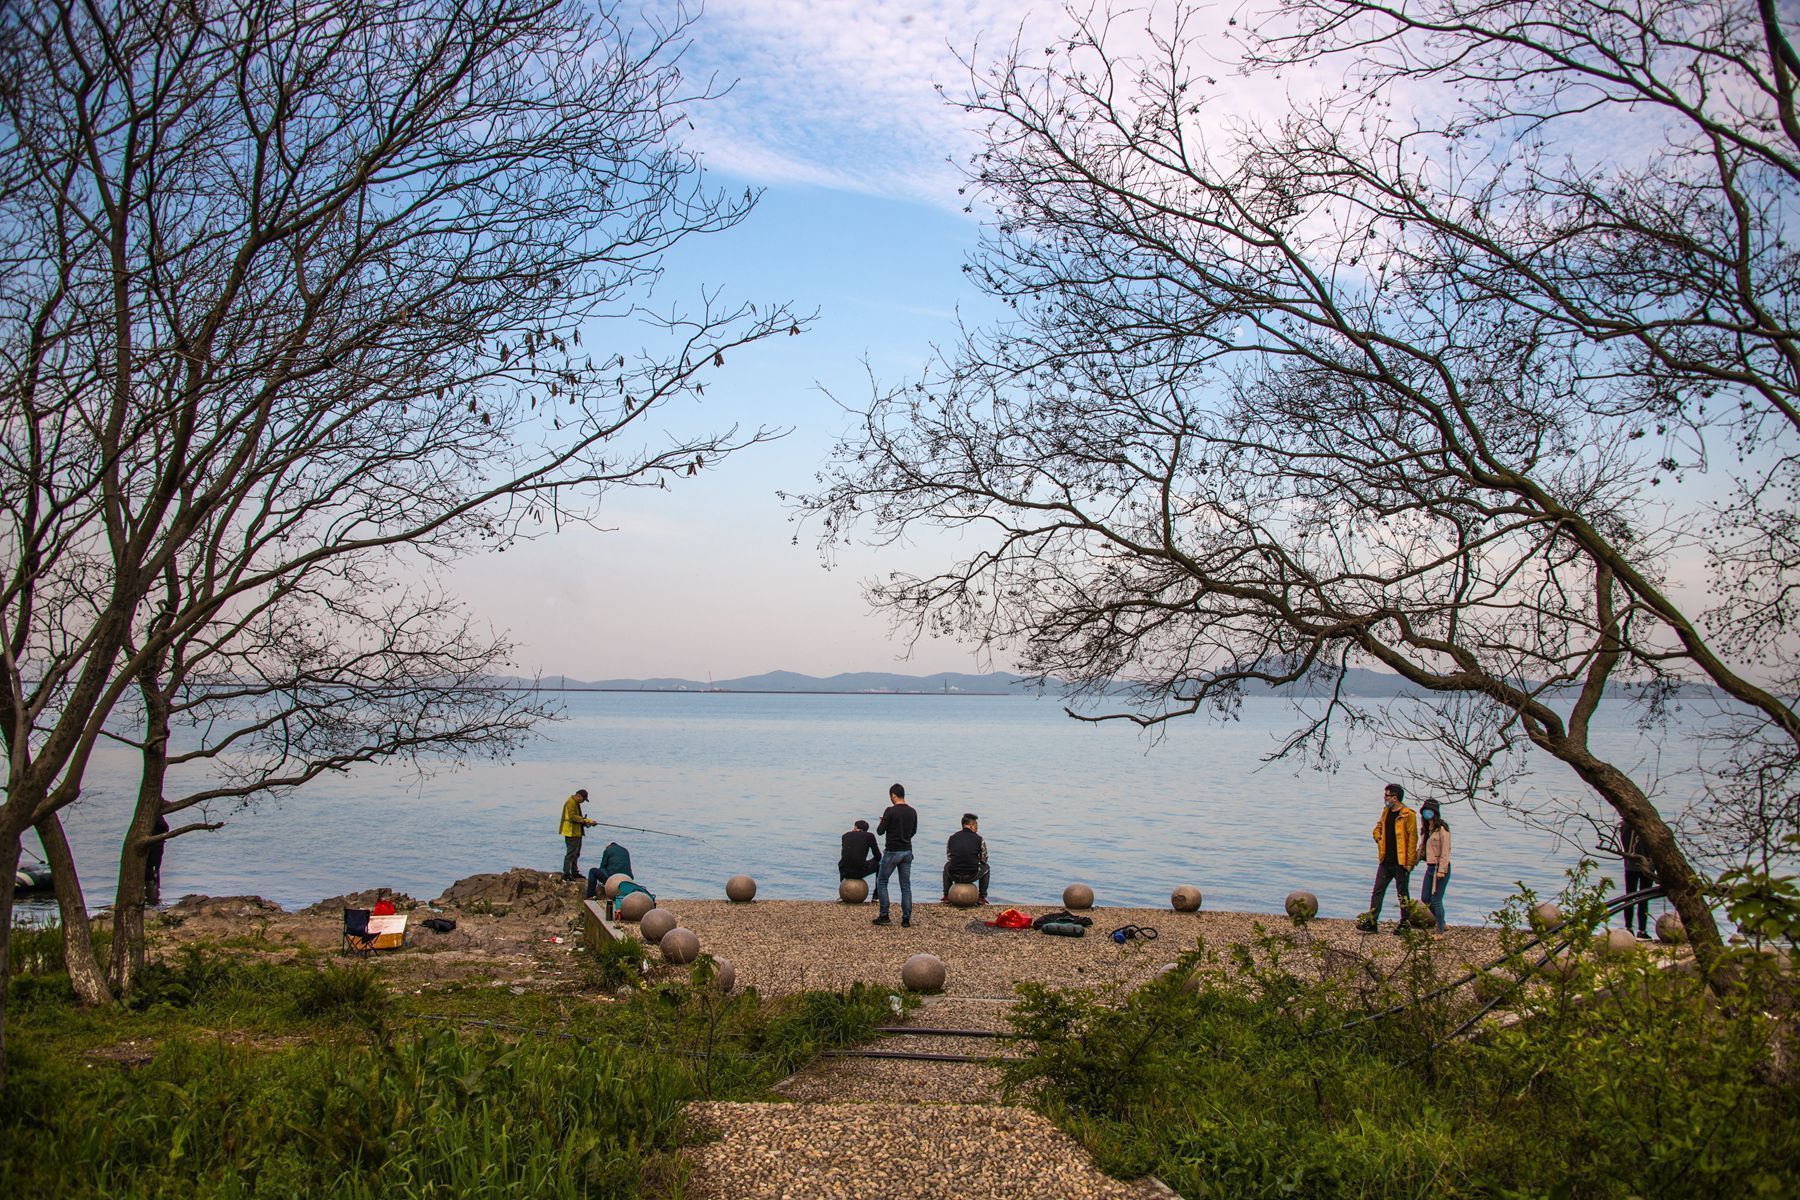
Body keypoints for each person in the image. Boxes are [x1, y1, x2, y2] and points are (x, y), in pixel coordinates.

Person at [1361, 782, 1418, 933]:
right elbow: (1379, 826)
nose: (1384, 798)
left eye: (1387, 795)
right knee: (1377, 891)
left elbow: (1413, 839)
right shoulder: (1386, 811)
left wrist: (1409, 863)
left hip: (1401, 862)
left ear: (1395, 797)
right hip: (1386, 860)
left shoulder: (1408, 815)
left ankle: (1404, 923)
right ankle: (1372, 922)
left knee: (1403, 894)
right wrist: (1377, 836)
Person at [872, 783, 917, 927]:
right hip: (907, 851)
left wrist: (882, 821)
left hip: (892, 851)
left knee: (882, 881)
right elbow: (913, 831)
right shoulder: (912, 811)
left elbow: (880, 831)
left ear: (893, 795)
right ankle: (906, 919)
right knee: (905, 885)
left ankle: (884, 915)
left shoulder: (889, 811)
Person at [942, 812, 990, 902]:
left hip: (954, 874)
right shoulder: (979, 839)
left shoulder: (952, 838)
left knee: (946, 866)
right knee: (986, 868)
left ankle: (946, 895)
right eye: (976, 825)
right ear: (971, 825)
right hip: (971, 874)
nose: (977, 827)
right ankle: (982, 896)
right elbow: (984, 859)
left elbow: (949, 857)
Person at [1618, 819, 1654, 939]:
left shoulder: (1624, 825)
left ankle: (1628, 927)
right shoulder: (1648, 824)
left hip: (1630, 864)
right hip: (1647, 866)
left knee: (1629, 897)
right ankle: (1642, 930)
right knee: (1644, 898)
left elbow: (1624, 844)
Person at [1420, 812, 1452, 937]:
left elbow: (1445, 851)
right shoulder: (1427, 829)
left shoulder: (1442, 829)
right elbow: (1422, 848)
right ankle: (1441, 921)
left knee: (1436, 899)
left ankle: (1440, 930)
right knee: (1425, 898)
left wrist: (1442, 870)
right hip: (1430, 867)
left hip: (1440, 868)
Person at [559, 789, 597, 881]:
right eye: (583, 799)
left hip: (577, 832)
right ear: (578, 796)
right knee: (570, 854)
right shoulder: (570, 802)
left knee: (576, 853)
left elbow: (578, 819)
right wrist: (586, 820)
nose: (583, 802)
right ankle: (566, 875)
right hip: (571, 832)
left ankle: (575, 872)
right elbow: (572, 817)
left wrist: (587, 823)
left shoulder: (575, 803)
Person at [839, 819, 880, 885]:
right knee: (879, 865)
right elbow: (878, 856)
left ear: (855, 827)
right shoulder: (869, 836)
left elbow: (847, 853)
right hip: (858, 872)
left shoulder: (845, 835)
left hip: (844, 871)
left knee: (845, 862)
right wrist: (870, 861)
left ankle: (843, 889)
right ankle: (876, 893)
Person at [144, 813, 169, 905]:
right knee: (154, 868)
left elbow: (165, 827)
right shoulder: (156, 817)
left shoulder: (151, 817)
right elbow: (165, 828)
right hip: (155, 846)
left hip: (153, 846)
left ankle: (152, 890)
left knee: (151, 867)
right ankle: (153, 889)